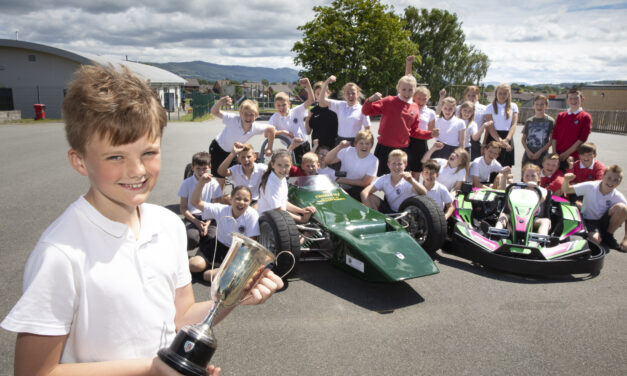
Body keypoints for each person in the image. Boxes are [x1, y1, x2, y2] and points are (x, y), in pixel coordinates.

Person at [0, 65, 282, 375]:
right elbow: (35, 372)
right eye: (116, 157)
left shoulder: (168, 226)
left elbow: (181, 317)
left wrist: (235, 297)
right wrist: (152, 368)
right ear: (79, 161)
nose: (137, 170)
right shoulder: (60, 254)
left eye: (149, 153)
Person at [362, 74, 437, 176]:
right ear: (398, 88)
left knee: (400, 180)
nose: (407, 93)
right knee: (382, 180)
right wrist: (369, 101)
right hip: (385, 148)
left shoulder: (414, 107)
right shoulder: (388, 101)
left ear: (414, 90)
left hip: (402, 149)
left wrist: (430, 134)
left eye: (410, 90)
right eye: (404, 89)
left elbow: (414, 131)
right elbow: (367, 111)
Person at [190, 180, 260, 282]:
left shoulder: (252, 215)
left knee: (212, 276)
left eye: (246, 200)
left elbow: (250, 245)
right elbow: (195, 202)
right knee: (195, 265)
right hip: (216, 246)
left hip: (236, 252)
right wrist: (201, 184)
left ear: (250, 202)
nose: (241, 202)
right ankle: (199, 266)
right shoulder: (221, 209)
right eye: (238, 198)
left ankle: (207, 274)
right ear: (231, 199)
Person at [210, 96, 276, 188]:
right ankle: (219, 200)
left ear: (256, 116)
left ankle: (238, 198)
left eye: (252, 115)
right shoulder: (233, 119)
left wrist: (269, 148)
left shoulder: (255, 127)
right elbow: (214, 112)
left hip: (233, 152)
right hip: (219, 148)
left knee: (238, 175)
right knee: (221, 179)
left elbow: (271, 129)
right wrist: (220, 101)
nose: (248, 117)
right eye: (246, 114)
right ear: (240, 114)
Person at [562, 165, 627, 252]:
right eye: (609, 178)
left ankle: (608, 235)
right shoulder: (590, 186)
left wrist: (626, 239)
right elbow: (567, 190)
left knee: (622, 208)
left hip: (604, 222)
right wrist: (566, 180)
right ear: (603, 176)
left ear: (619, 182)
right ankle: (592, 235)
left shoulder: (618, 196)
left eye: (616, 180)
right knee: (595, 240)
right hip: (589, 220)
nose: (611, 182)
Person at [178, 151, 223, 255]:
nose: (202, 172)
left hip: (210, 217)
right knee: (191, 238)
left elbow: (216, 207)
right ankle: (198, 240)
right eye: (198, 168)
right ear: (192, 168)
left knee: (213, 239)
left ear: (210, 167)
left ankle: (203, 251)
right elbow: (183, 208)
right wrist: (197, 222)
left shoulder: (214, 184)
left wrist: (207, 224)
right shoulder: (186, 183)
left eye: (204, 168)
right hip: (193, 217)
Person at [257, 149, 316, 223]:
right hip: (268, 222)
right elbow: (279, 210)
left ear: (291, 166)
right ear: (272, 165)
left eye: (287, 165)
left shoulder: (282, 178)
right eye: (279, 165)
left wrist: (302, 210)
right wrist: (301, 219)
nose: (283, 169)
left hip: (278, 217)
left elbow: (283, 202)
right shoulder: (271, 184)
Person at [361, 149, 427, 213]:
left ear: (405, 165)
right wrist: (370, 211)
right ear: (388, 165)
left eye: (399, 164)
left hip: (406, 214)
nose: (396, 167)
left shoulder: (408, 179)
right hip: (391, 211)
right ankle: (375, 218)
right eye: (394, 164)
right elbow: (364, 192)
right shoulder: (384, 179)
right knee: (371, 197)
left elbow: (424, 192)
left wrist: (412, 181)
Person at [268, 78, 315, 165]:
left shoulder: (296, 111)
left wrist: (308, 85)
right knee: (295, 172)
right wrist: (283, 132)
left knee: (308, 170)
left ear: (289, 104)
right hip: (291, 148)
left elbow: (311, 100)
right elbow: (267, 133)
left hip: (304, 145)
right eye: (278, 105)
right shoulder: (275, 118)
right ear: (275, 105)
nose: (281, 108)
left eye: (284, 105)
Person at [496, 163, 551, 236]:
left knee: (545, 221)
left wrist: (535, 187)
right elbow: (502, 190)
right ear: (523, 177)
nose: (530, 178)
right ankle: (496, 233)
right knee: (503, 215)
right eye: (527, 176)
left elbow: (542, 199)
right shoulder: (517, 187)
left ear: (538, 178)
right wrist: (504, 176)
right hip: (514, 216)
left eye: (533, 176)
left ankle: (541, 240)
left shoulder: (542, 190)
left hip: (534, 218)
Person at [324, 130, 379, 201]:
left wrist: (344, 180)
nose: (364, 146)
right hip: (342, 185)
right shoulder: (347, 151)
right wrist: (339, 146)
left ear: (371, 145)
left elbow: (365, 182)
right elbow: (328, 160)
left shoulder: (374, 160)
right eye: (361, 143)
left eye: (367, 143)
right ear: (355, 144)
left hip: (358, 188)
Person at [319, 75, 371, 145]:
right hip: (340, 141)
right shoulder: (340, 105)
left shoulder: (362, 109)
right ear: (344, 94)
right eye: (348, 93)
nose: (350, 96)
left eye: (353, 93)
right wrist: (327, 82)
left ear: (357, 94)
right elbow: (321, 99)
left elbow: (367, 129)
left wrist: (364, 143)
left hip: (355, 142)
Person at [551, 88, 592, 171]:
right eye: (570, 98)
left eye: (576, 98)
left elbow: (582, 139)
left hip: (573, 157)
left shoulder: (586, 117)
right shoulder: (561, 116)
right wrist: (554, 153)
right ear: (567, 100)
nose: (573, 100)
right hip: (557, 156)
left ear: (582, 99)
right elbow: (554, 136)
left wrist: (566, 154)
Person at [484, 83, 518, 167]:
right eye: (500, 93)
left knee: (506, 167)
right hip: (494, 138)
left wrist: (507, 140)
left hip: (507, 137)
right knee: (492, 167)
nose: (502, 96)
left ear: (508, 94)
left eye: (505, 94)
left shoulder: (513, 106)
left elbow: (514, 124)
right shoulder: (489, 107)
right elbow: (490, 127)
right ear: (496, 93)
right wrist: (500, 141)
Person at [408, 85, 438, 178]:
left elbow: (431, 132)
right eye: (419, 98)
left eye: (424, 99)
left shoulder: (431, 113)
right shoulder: (408, 107)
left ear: (428, 98)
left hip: (420, 143)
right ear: (413, 97)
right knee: (405, 170)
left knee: (416, 171)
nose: (421, 101)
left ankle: (415, 192)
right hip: (407, 141)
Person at [521, 94, 555, 168]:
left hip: (542, 155)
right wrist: (528, 151)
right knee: (525, 177)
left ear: (546, 106)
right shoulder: (529, 121)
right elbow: (523, 139)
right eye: (537, 104)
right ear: (533, 106)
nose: (539, 107)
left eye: (542, 104)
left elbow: (551, 140)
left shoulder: (550, 121)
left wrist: (540, 152)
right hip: (528, 155)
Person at [306, 81, 339, 151]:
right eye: (318, 94)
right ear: (315, 95)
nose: (320, 96)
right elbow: (308, 132)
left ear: (328, 93)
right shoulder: (313, 111)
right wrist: (308, 118)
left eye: (322, 93)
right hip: (317, 148)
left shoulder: (336, 109)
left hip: (333, 148)